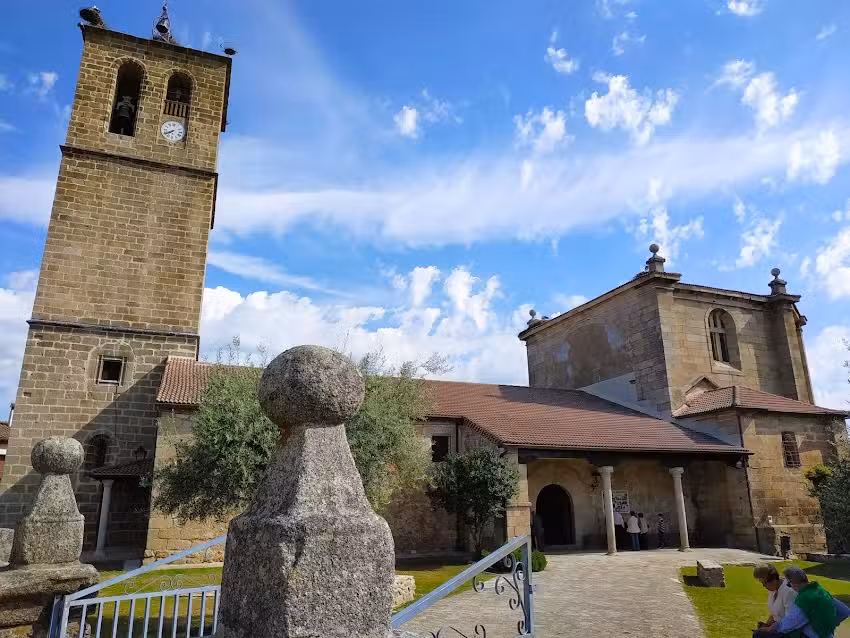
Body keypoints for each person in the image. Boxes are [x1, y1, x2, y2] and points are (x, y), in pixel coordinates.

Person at [756, 566, 850, 637]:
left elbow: (789, 623)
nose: (789, 586)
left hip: (811, 635)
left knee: (759, 635)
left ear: (794, 584)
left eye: (789, 584)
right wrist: (830, 623)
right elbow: (845, 611)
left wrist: (771, 628)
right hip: (827, 635)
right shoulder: (819, 590)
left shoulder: (805, 599)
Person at [752, 563, 797, 632]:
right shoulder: (773, 590)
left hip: (788, 630)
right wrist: (766, 625)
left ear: (773, 579)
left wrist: (769, 629)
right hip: (778, 627)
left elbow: (790, 621)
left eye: (764, 583)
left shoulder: (788, 591)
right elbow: (774, 615)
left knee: (758, 635)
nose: (764, 586)